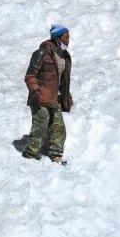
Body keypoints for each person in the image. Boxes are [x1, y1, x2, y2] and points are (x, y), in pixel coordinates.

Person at [22, 25, 73, 163]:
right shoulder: (41, 53)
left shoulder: (65, 57)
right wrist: (36, 91)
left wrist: (66, 97)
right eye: (66, 37)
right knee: (40, 127)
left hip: (53, 99)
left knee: (58, 127)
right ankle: (29, 155)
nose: (68, 40)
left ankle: (56, 155)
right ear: (57, 38)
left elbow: (63, 81)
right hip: (40, 98)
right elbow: (30, 76)